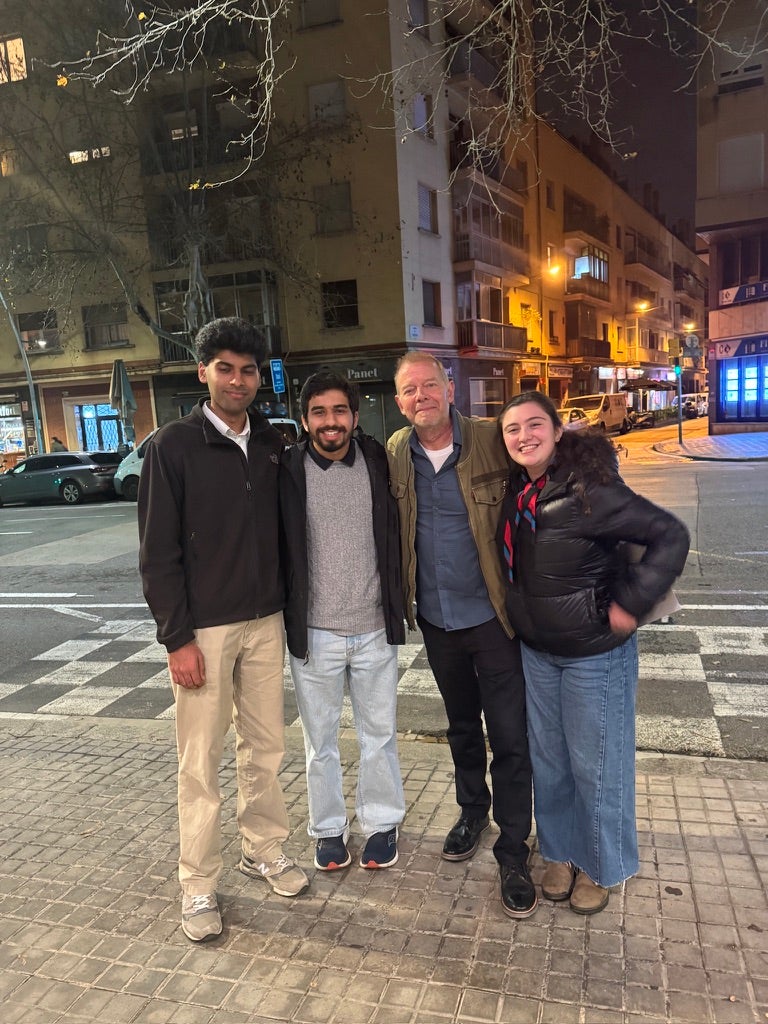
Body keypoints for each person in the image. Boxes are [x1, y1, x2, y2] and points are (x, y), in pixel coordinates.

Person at [138, 316, 308, 944]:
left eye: (249, 370)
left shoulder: (270, 443)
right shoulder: (171, 447)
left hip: (265, 622)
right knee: (200, 763)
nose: (238, 380)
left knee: (265, 750)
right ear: (203, 372)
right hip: (203, 632)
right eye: (226, 368)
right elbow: (157, 554)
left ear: (259, 378)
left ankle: (263, 848)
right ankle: (198, 885)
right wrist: (176, 638)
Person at [497, 391, 690, 914]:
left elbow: (669, 535)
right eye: (512, 429)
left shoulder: (591, 489)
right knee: (552, 763)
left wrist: (630, 603)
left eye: (535, 425)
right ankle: (559, 853)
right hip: (539, 653)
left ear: (558, 431)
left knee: (597, 765)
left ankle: (602, 865)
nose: (523, 437)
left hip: (594, 655)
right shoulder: (520, 490)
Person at [387, 352, 536, 919]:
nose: (420, 396)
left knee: (510, 735)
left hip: (494, 619)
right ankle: (472, 811)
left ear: (450, 388)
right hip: (437, 620)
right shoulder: (397, 453)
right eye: (409, 390)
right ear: (399, 401)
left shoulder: (490, 439)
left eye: (429, 384)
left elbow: (547, 463)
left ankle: (513, 846)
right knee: (459, 727)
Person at [281, 371, 406, 871]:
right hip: (315, 634)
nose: (329, 422)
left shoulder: (376, 460)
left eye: (338, 411)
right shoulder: (288, 469)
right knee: (320, 744)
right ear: (304, 418)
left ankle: (380, 822)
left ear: (354, 417)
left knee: (380, 736)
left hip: (375, 628)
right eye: (318, 412)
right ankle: (328, 829)